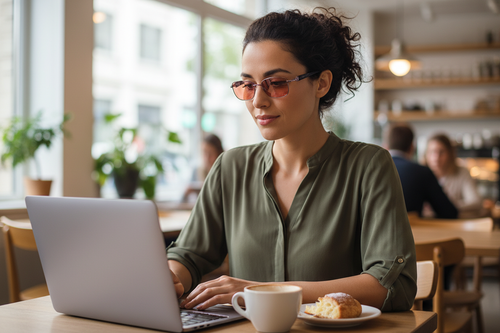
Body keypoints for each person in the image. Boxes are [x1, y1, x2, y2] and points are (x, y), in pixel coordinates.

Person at [167, 7, 416, 312]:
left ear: (321, 83)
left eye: (276, 83)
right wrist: (171, 276)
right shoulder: (230, 168)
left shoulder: (368, 166)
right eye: (248, 84)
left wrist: (263, 291)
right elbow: (189, 254)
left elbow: (392, 285)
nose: (258, 100)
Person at [383, 123, 458, 219]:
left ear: (385, 147)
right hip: (413, 232)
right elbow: (449, 213)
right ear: (412, 148)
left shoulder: (371, 171)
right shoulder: (422, 172)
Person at [424, 133, 484, 218]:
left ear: (450, 154)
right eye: (432, 152)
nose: (436, 157)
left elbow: (476, 202)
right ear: (426, 154)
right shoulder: (422, 175)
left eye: (441, 152)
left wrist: (446, 207)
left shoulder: (462, 173)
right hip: (426, 226)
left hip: (454, 226)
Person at [182, 134, 224, 203]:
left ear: (219, 153)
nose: (207, 158)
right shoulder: (197, 171)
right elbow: (182, 200)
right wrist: (187, 192)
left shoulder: (224, 173)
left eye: (211, 153)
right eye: (204, 153)